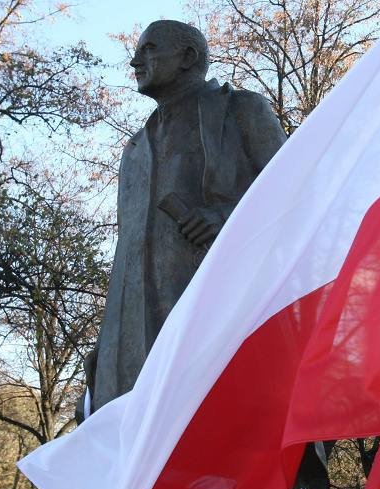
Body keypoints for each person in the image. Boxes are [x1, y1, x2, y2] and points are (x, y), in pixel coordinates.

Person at [82, 20, 286, 414]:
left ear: (188, 58)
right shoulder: (135, 150)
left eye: (150, 49)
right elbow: (125, 257)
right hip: (136, 346)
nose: (135, 60)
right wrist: (108, 344)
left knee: (220, 441)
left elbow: (296, 190)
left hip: (217, 322)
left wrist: (227, 216)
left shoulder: (240, 110)